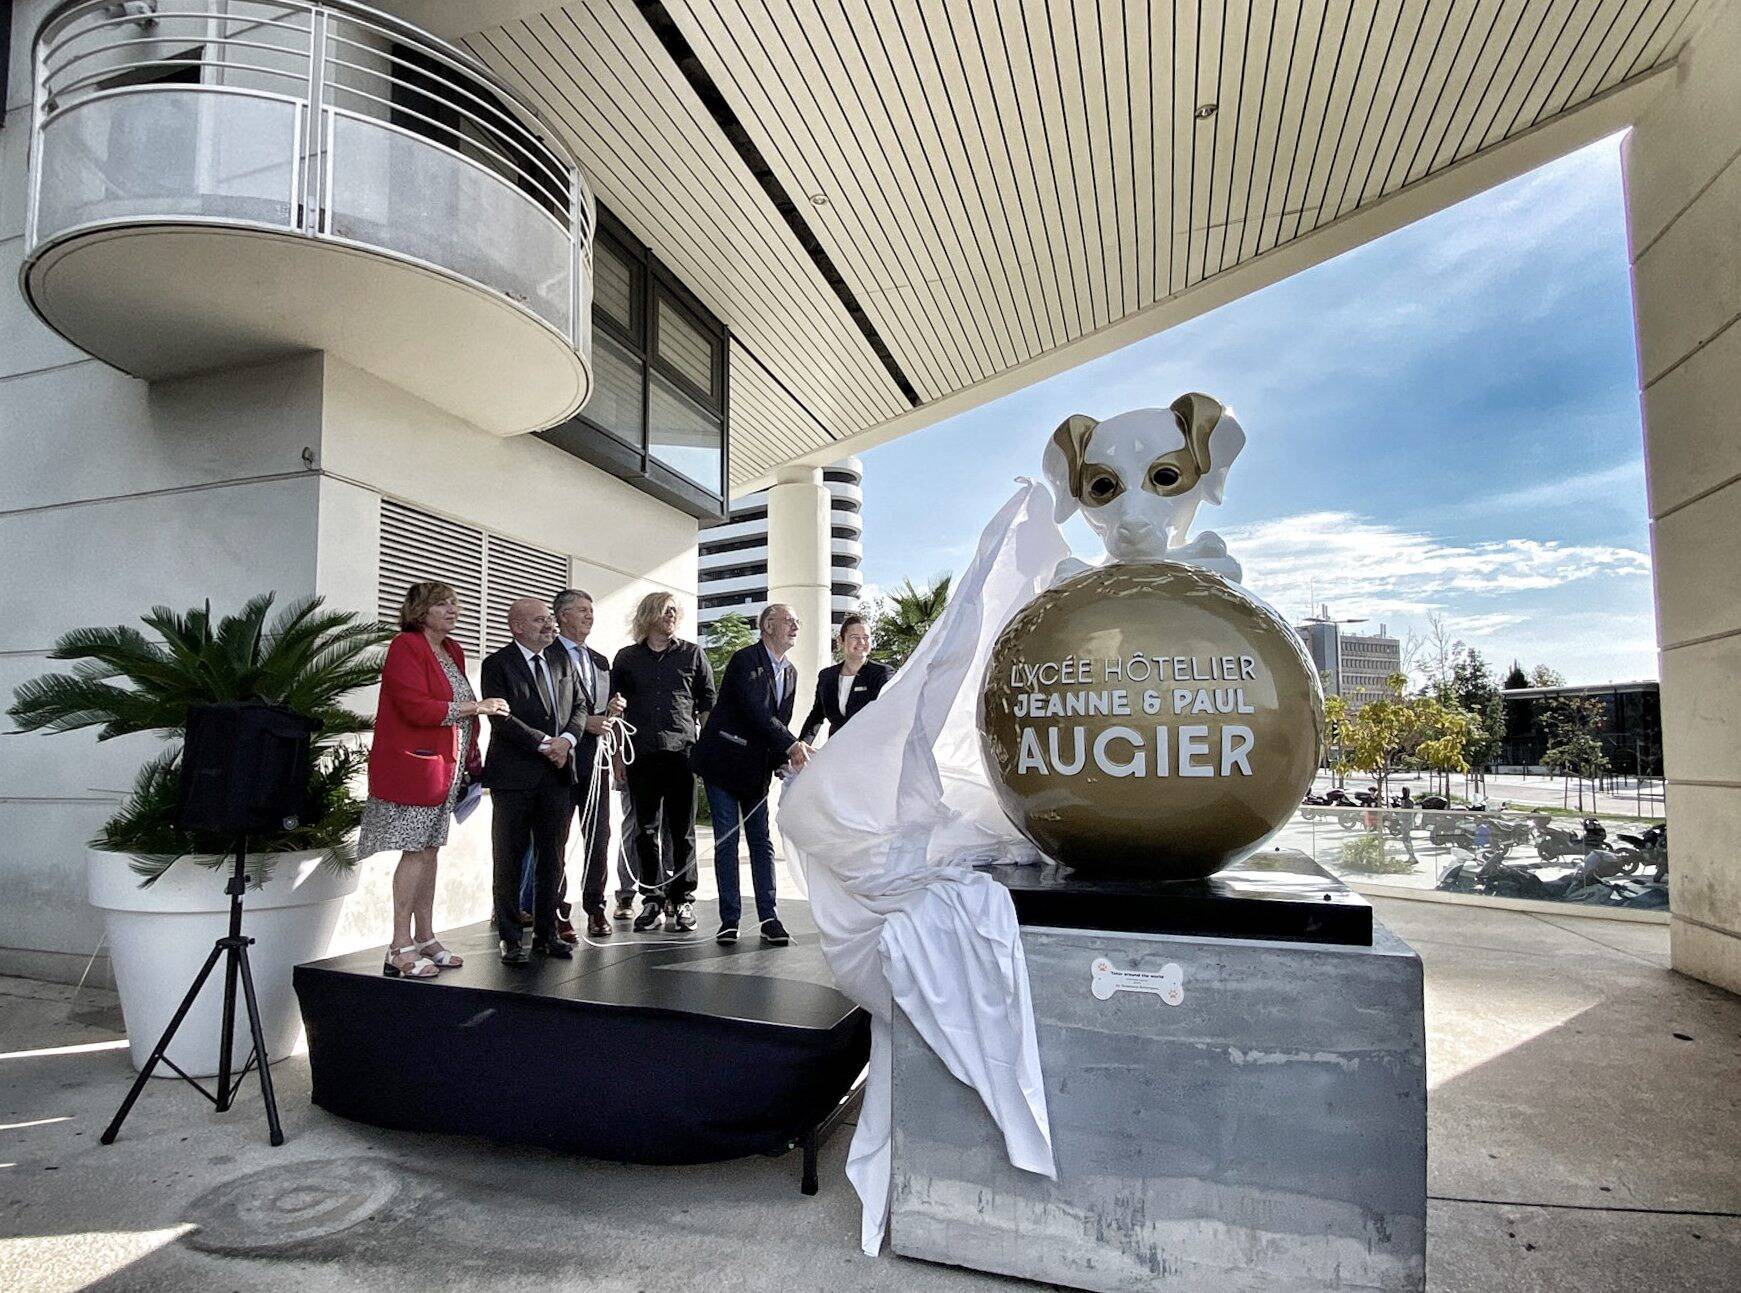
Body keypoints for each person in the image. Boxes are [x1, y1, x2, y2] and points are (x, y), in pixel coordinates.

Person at [361, 581, 508, 979]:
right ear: (420, 611)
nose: (452, 610)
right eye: (442, 604)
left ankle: (425, 937)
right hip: (415, 767)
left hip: (447, 767)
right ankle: (398, 946)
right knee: (415, 851)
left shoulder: (452, 650)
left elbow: (454, 707)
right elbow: (414, 707)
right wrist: (475, 707)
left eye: (454, 604)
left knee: (429, 851)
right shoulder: (405, 646)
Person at [692, 604, 811, 946]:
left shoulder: (791, 672)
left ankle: (769, 917)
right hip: (723, 764)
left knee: (761, 841)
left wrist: (781, 759)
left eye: (797, 621)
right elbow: (755, 712)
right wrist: (792, 745)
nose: (796, 626)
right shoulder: (745, 660)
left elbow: (780, 721)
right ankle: (729, 920)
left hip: (756, 770)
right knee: (727, 840)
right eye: (790, 620)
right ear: (768, 625)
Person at [481, 597, 588, 964]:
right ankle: (511, 938)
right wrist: (545, 743)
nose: (550, 625)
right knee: (509, 857)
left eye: (550, 619)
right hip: (514, 776)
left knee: (552, 859)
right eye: (540, 620)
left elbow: (580, 707)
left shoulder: (562, 660)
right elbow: (500, 718)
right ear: (517, 627)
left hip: (558, 774)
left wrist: (567, 741)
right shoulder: (497, 664)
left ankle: (546, 934)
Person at [611, 592, 715, 933]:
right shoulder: (627, 659)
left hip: (683, 755)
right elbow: (615, 712)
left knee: (682, 832)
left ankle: (682, 899)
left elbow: (706, 706)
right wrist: (617, 759)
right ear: (649, 614)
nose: (672, 615)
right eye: (665, 610)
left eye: (675, 611)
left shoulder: (692, 654)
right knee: (645, 831)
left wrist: (710, 753)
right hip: (640, 755)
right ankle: (652, 899)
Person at [552, 588, 624, 939]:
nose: (589, 616)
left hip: (597, 760)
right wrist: (584, 725)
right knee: (557, 837)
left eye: (591, 610)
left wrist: (611, 711)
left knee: (599, 835)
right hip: (561, 760)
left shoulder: (599, 660)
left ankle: (595, 906)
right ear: (562, 616)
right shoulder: (547, 656)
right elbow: (546, 709)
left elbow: (596, 705)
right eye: (581, 610)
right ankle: (556, 908)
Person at [798, 612, 893, 744]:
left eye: (866, 637)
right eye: (855, 637)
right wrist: (802, 745)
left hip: (871, 749)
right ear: (840, 640)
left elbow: (887, 715)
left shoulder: (881, 673)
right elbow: (816, 715)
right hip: (836, 749)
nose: (861, 642)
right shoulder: (826, 676)